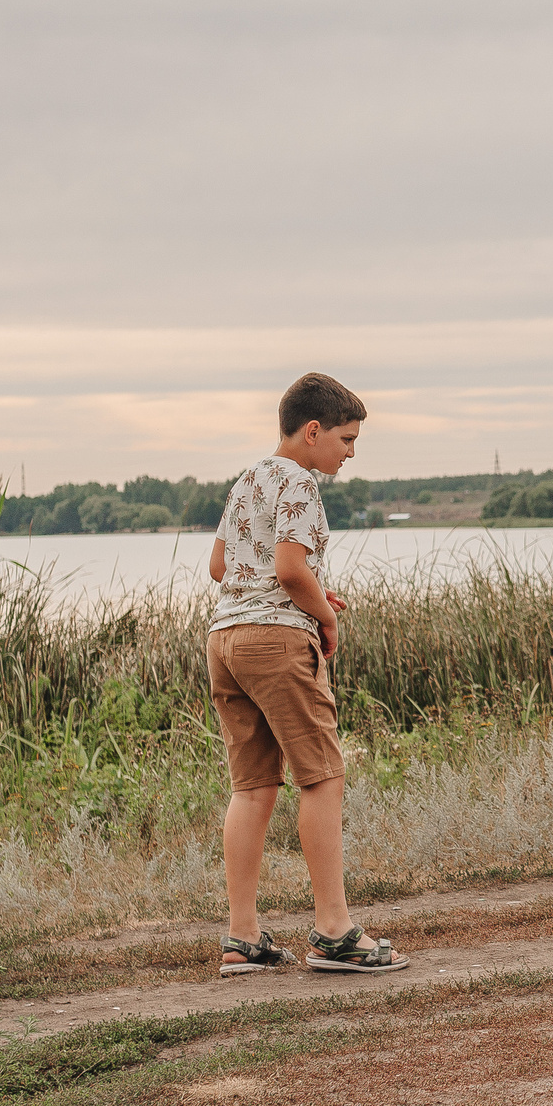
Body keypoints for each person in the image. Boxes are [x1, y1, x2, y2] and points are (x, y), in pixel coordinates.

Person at [205, 372, 406, 974]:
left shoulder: (249, 480)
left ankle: (243, 938)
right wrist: (324, 615)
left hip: (226, 639)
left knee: (252, 785)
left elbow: (220, 566)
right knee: (321, 775)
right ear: (313, 431)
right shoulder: (299, 483)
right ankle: (334, 931)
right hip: (276, 641)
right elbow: (292, 571)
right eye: (346, 439)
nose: (350, 452)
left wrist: (306, 593)